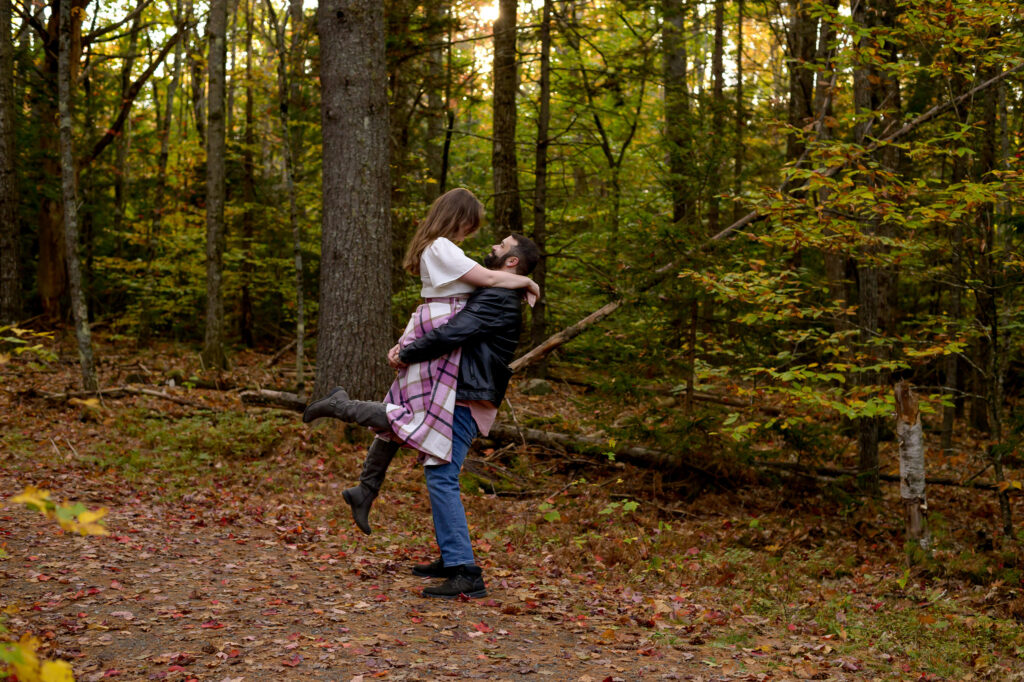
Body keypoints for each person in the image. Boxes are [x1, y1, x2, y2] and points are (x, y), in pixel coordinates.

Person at [302, 189, 538, 533]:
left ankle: (365, 490)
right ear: (459, 217)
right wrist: (528, 281)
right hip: (440, 329)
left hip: (435, 324)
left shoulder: (442, 247)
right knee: (413, 415)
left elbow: (482, 283)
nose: (473, 232)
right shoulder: (443, 247)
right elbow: (487, 279)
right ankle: (341, 406)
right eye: (470, 223)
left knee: (401, 409)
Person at [390, 233, 540, 599]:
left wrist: (407, 353)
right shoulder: (500, 291)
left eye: (501, 246)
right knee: (437, 471)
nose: (493, 247)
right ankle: (451, 556)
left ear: (512, 262)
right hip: (462, 393)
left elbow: (453, 332)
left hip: (467, 397)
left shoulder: (498, 297)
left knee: (442, 476)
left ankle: (465, 571)